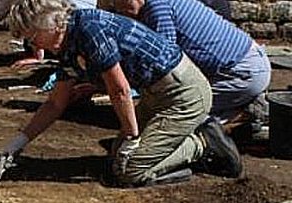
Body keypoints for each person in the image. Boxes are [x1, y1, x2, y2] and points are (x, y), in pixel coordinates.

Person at [0, 0, 242, 187]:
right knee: (117, 158)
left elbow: (120, 90)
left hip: (182, 93)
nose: (33, 44)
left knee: (128, 171)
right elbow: (55, 104)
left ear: (50, 23)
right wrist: (19, 142)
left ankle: (201, 143)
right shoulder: (66, 44)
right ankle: (174, 143)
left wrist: (132, 136)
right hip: (156, 94)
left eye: (32, 36)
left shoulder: (88, 29)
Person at [108, 0, 270, 123]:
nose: (119, 9)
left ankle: (246, 113)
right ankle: (240, 104)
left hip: (241, 73)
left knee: (171, 116)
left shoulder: (157, 9)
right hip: (250, 63)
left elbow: (163, 65)